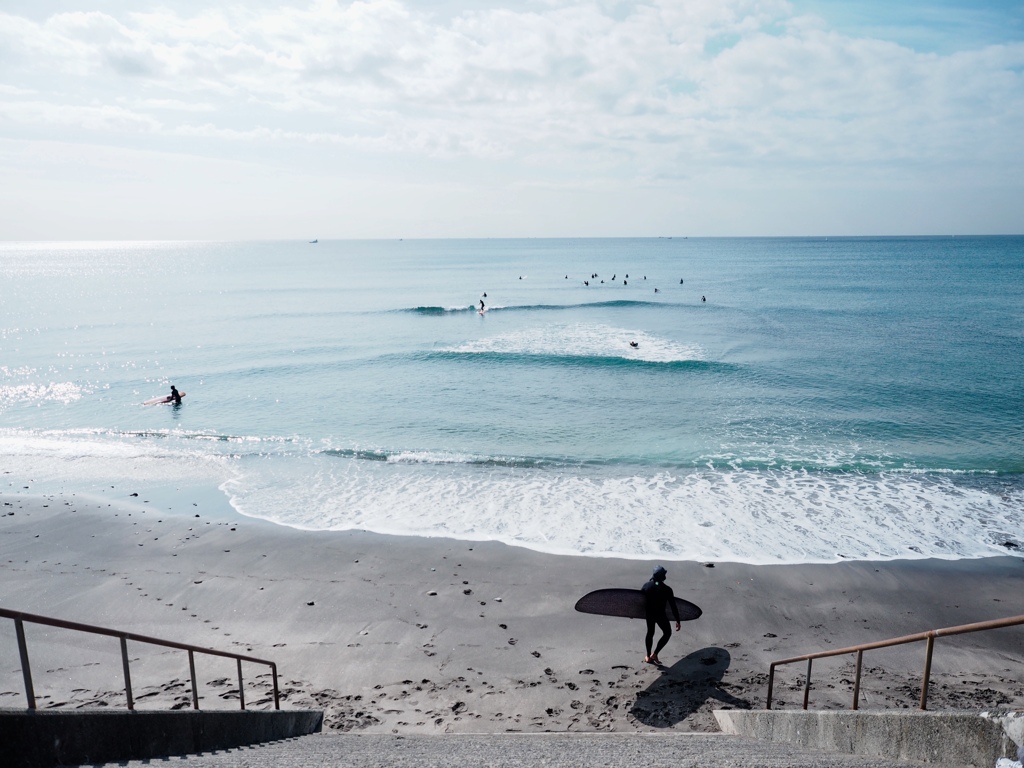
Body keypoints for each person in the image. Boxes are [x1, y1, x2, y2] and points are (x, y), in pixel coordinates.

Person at [641, 565, 681, 665]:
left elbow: (639, 602)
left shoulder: (646, 586)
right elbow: (673, 606)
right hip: (660, 615)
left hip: (649, 615)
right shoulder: (667, 590)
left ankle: (648, 656)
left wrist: (631, 613)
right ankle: (655, 654)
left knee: (650, 633)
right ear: (663, 577)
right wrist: (678, 620)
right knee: (667, 633)